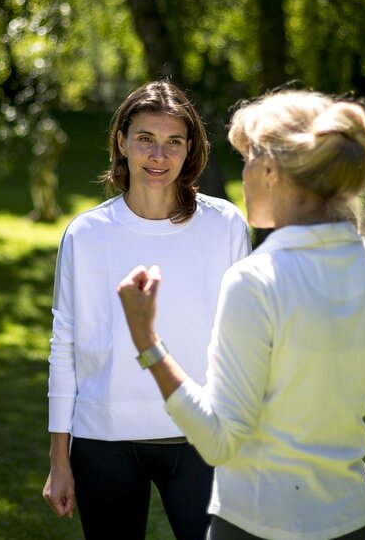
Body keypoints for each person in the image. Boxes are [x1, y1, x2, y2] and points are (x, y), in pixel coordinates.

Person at [118, 89, 365, 540]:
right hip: (348, 523)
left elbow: (219, 440)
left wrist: (147, 342)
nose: (243, 174)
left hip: (254, 524)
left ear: (269, 170)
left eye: (247, 159)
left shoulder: (255, 280)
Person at [43, 80, 251, 540]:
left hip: (203, 438)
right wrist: (59, 458)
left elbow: (246, 341)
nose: (159, 155)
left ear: (190, 147)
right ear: (121, 142)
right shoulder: (85, 234)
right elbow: (64, 346)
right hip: (103, 441)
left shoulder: (226, 225)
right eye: (145, 139)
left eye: (174, 141)